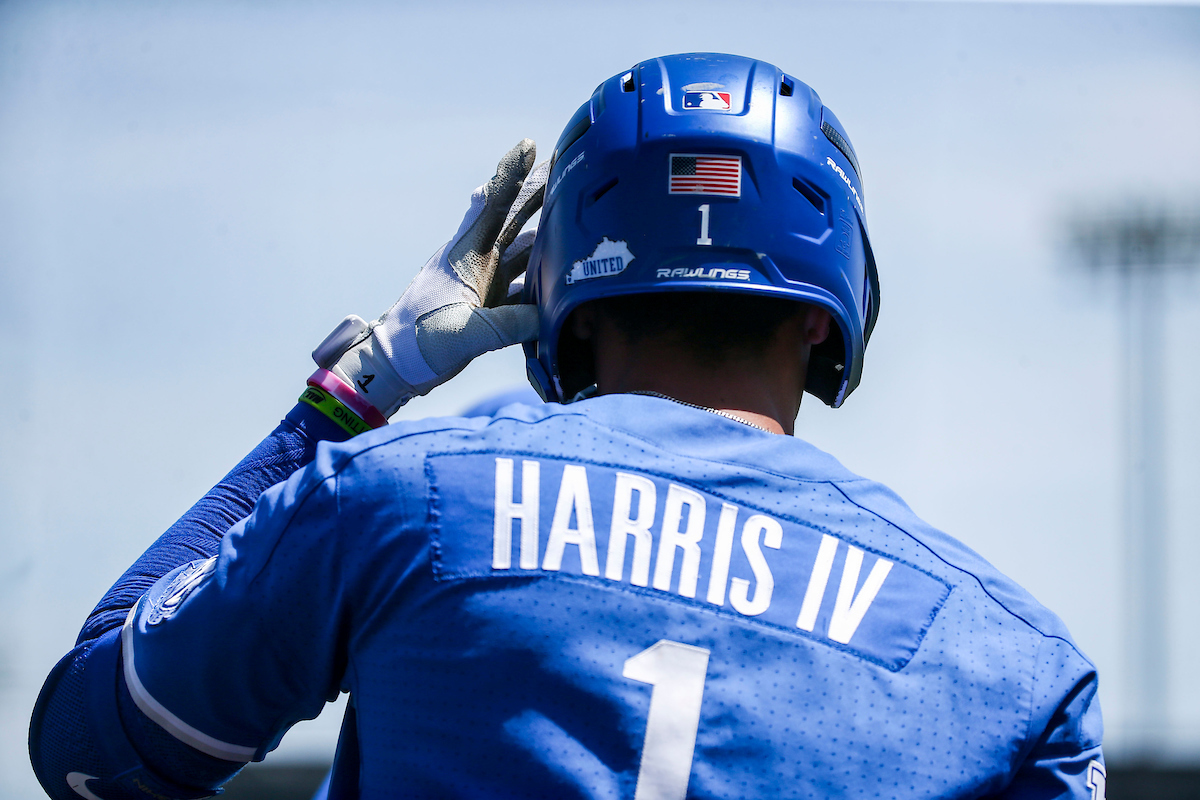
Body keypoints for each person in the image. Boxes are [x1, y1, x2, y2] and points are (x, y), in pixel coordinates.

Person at [29, 53, 1105, 800]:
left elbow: (90, 749)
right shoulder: (1014, 664)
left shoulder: (406, 495)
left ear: (556, 297)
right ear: (837, 312)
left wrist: (354, 393)